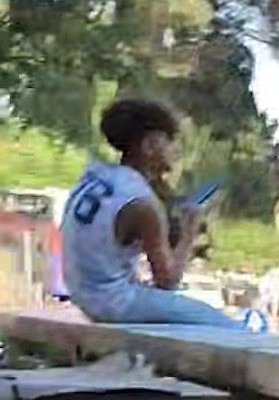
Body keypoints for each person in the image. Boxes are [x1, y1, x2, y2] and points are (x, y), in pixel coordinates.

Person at [62, 99, 238, 329]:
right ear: (149, 145)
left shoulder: (96, 177)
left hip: (82, 294)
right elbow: (167, 281)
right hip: (114, 302)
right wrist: (189, 233)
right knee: (229, 328)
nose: (175, 152)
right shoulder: (142, 202)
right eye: (169, 142)